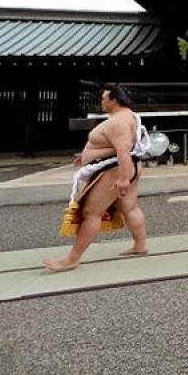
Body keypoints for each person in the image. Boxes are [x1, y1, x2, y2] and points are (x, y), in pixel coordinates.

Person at [42, 85, 150, 272]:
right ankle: (140, 245)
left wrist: (123, 178)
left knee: (91, 213)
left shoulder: (118, 122)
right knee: (130, 207)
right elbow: (118, 147)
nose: (102, 101)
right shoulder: (127, 116)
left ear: (114, 100)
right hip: (123, 166)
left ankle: (72, 258)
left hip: (115, 169)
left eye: (104, 98)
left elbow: (123, 149)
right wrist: (87, 156)